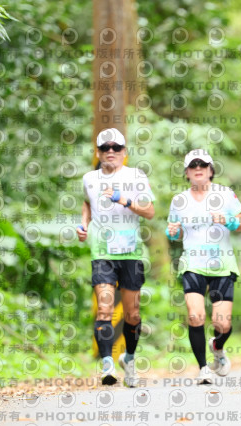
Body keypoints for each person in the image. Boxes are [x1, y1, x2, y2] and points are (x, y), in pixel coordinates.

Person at [76, 128, 156, 387]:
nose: (110, 151)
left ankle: (128, 359)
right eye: (105, 147)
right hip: (102, 253)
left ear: (124, 152)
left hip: (131, 253)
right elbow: (87, 203)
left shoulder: (136, 176)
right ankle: (107, 364)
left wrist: (125, 200)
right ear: (98, 152)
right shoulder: (89, 178)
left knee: (132, 314)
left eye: (116, 147)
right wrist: (84, 224)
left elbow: (150, 211)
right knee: (104, 308)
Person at [166, 149, 241, 384]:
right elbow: (174, 231)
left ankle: (218, 347)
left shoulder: (225, 194)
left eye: (203, 165)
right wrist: (172, 232)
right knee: (195, 316)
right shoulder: (179, 200)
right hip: (193, 264)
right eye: (193, 166)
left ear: (211, 170)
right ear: (187, 173)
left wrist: (228, 220)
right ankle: (203, 368)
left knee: (223, 323)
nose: (198, 169)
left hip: (222, 264)